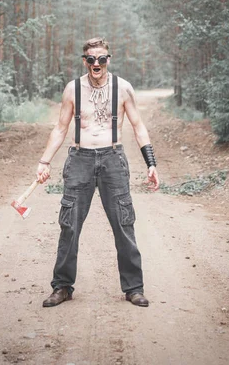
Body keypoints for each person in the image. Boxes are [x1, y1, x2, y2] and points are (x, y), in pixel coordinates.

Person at [37, 37, 159, 308]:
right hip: (79, 159)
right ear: (85, 61)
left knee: (124, 224)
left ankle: (134, 288)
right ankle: (62, 286)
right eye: (91, 59)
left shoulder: (123, 88)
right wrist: (44, 161)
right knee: (69, 224)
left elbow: (138, 127)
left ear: (108, 60)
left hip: (112, 160)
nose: (96, 63)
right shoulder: (72, 89)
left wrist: (151, 163)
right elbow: (60, 128)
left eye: (101, 59)